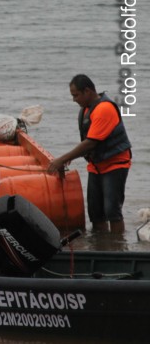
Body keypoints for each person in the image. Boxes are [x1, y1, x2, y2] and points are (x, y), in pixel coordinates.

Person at [48, 74, 132, 234]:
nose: (74, 100)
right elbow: (89, 144)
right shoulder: (86, 109)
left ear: (87, 91)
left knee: (112, 211)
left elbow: (91, 143)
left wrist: (62, 160)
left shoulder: (104, 109)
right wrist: (67, 159)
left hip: (115, 164)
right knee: (95, 212)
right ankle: (100, 246)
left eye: (76, 95)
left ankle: (117, 247)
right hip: (96, 166)